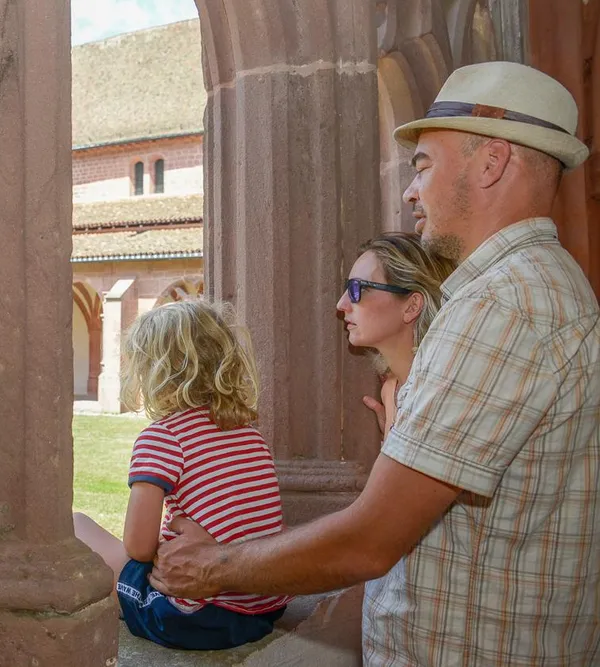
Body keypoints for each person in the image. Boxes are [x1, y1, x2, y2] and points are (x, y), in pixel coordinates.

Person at [149, 61, 600, 666]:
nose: (411, 191)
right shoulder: (533, 286)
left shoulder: (505, 304)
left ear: (491, 162)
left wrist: (214, 567)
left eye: (424, 166)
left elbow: (372, 539)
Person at [73, 299, 291, 650]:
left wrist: (161, 548)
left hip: (197, 616)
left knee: (75, 526)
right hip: (263, 608)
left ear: (155, 371)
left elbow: (138, 548)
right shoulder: (248, 432)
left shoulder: (163, 437)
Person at [337, 232, 456, 430]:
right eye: (347, 287)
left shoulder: (444, 392)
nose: (341, 304)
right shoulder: (391, 392)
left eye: (357, 288)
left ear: (412, 306)